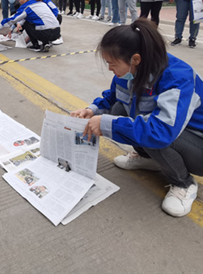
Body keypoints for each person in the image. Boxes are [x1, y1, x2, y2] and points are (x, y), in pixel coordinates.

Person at [71, 18, 203, 217]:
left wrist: (107, 124)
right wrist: (92, 110)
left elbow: (161, 131)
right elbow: (114, 96)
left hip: (197, 144)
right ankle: (147, 158)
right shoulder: (130, 71)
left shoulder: (177, 78)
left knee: (152, 134)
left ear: (135, 59)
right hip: (176, 133)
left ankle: (183, 183)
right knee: (118, 110)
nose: (110, 69)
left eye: (112, 64)